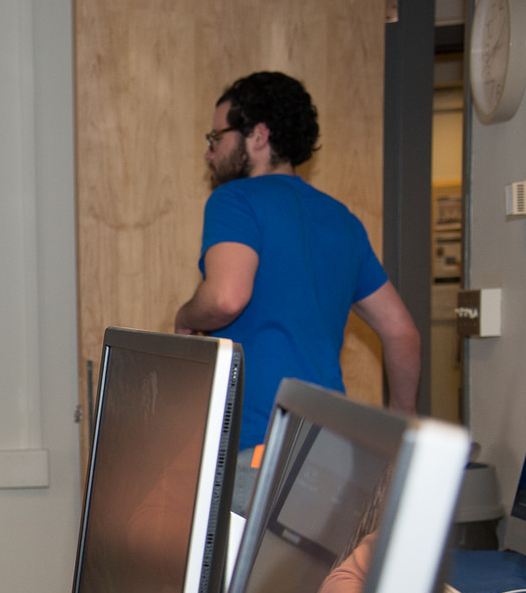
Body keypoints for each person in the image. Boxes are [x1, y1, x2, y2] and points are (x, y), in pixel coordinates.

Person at [172, 71, 421, 512]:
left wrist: (187, 317)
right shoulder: (341, 219)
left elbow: (227, 298)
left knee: (243, 583)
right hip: (330, 455)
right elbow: (401, 332)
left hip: (258, 452)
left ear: (258, 135)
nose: (209, 152)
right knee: (310, 584)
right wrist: (403, 422)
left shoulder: (236, 200)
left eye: (217, 136)